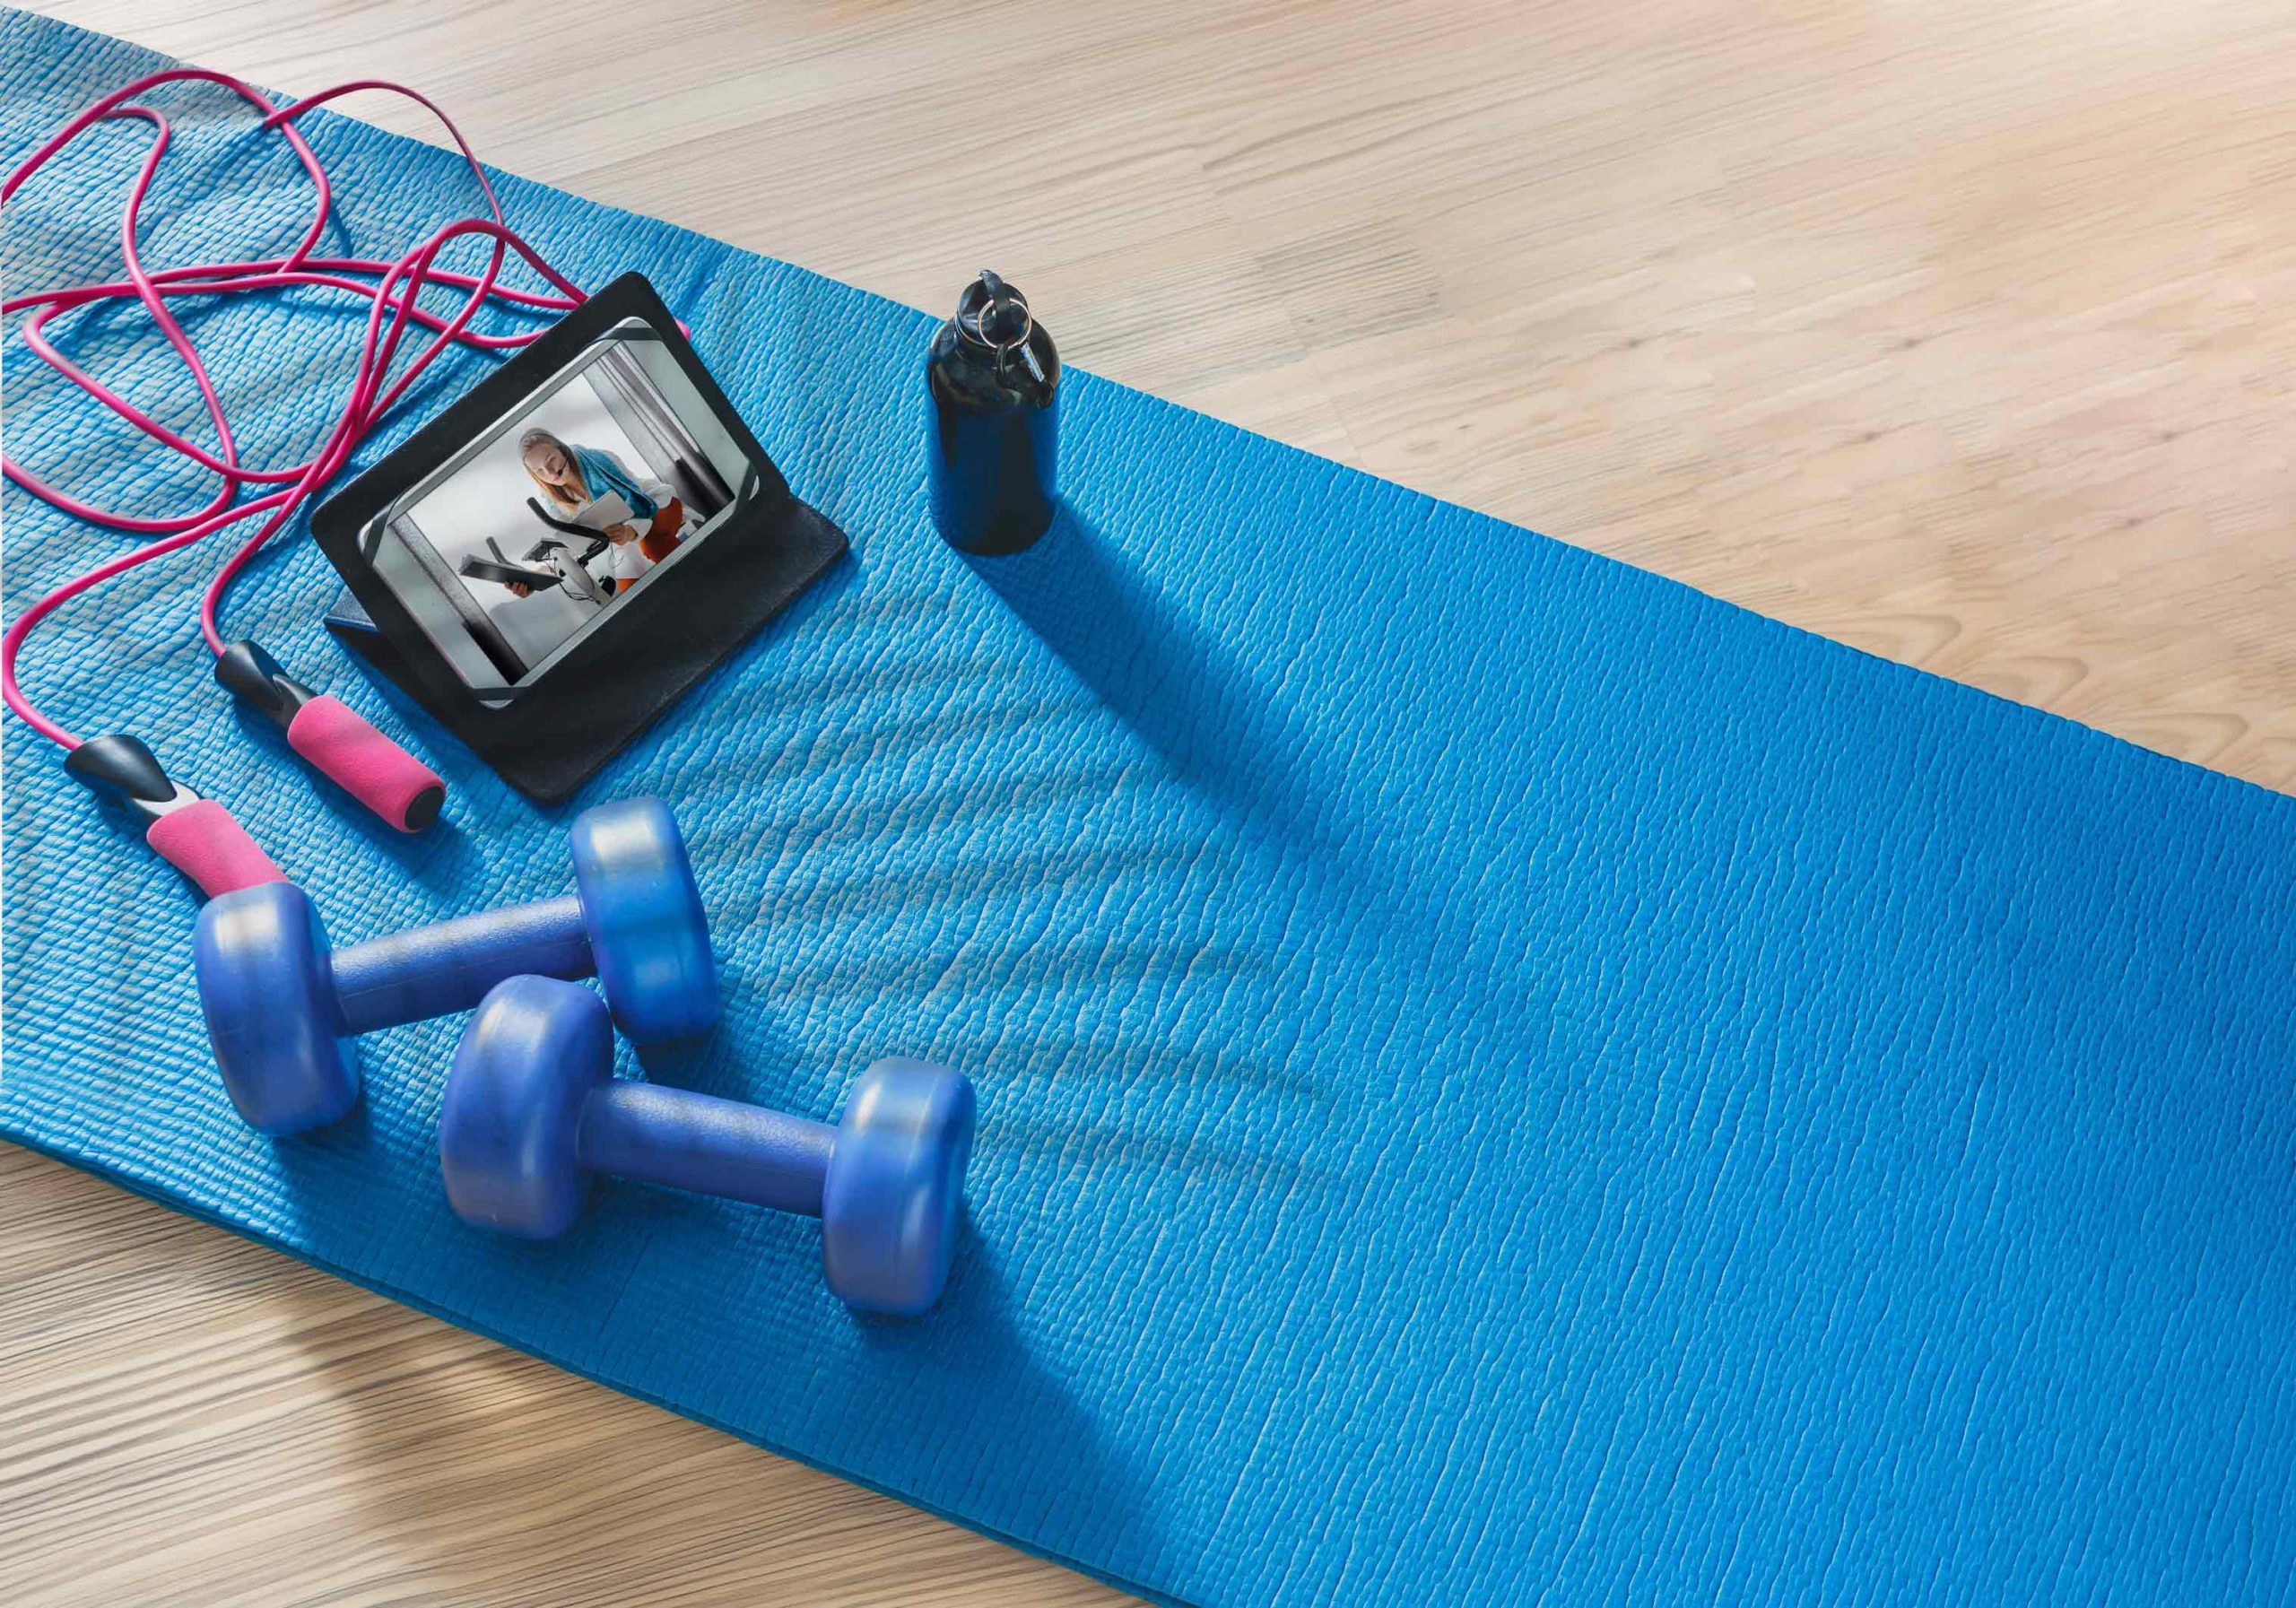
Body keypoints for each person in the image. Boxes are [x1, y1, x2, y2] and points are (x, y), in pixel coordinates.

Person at [517, 428, 687, 595]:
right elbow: (571, 541)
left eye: (551, 459)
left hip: (654, 505)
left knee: (653, 545)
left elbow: (639, 499)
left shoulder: (601, 458)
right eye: (539, 470)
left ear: (562, 449)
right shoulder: (550, 498)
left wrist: (631, 531)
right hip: (619, 538)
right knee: (631, 594)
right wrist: (536, 578)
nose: (549, 472)